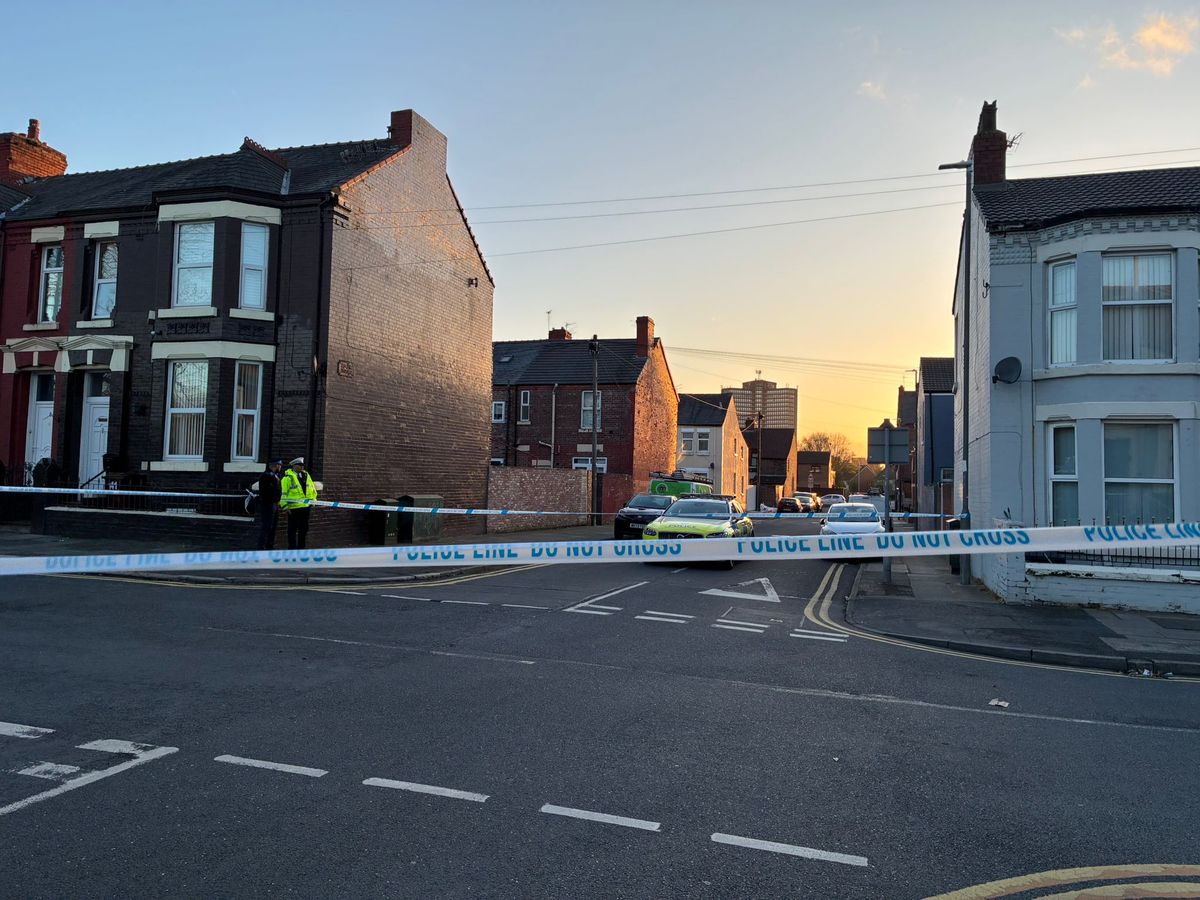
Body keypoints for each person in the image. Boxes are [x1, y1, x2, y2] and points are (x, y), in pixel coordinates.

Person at [280, 456, 318, 549]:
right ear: (293, 466)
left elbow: (312, 488)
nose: (302, 467)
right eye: (299, 465)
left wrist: (313, 501)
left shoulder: (306, 475)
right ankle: (292, 548)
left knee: (304, 529)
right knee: (292, 529)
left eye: (302, 465)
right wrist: (285, 506)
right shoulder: (287, 478)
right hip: (293, 508)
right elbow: (283, 493)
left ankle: (301, 548)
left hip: (305, 507)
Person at [256, 459, 284, 550]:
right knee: (267, 526)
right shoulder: (267, 475)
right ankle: (262, 547)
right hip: (268, 504)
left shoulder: (274, 475)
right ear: (275, 465)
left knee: (272, 526)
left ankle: (269, 546)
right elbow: (270, 491)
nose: (280, 467)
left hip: (274, 503)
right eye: (279, 465)